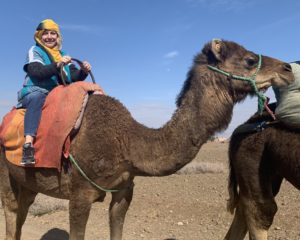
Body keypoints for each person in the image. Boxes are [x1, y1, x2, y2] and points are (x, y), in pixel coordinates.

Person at [17, 19, 92, 165]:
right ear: (39, 36)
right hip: (35, 91)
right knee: (37, 97)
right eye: (46, 34)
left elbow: (74, 77)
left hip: (57, 94)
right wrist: (58, 65)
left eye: (53, 33)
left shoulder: (63, 54)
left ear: (58, 37)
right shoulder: (35, 51)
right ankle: (28, 144)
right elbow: (36, 72)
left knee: (84, 98)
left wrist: (83, 71)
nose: (50, 37)